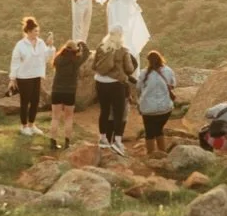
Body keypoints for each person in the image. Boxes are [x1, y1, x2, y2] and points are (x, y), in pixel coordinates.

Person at [92, 26, 138, 157]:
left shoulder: (101, 47)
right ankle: (117, 142)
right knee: (118, 113)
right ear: (121, 35)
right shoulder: (123, 50)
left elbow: (94, 65)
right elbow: (129, 69)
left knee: (104, 111)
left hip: (100, 82)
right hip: (116, 84)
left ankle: (103, 139)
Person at [8, 16, 53, 137]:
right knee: (25, 102)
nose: (37, 33)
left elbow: (46, 58)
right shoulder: (20, 45)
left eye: (38, 31)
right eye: (35, 31)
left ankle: (32, 124)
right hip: (24, 77)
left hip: (36, 75)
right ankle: (24, 126)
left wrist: (50, 47)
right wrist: (12, 78)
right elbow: (15, 61)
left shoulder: (40, 42)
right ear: (28, 32)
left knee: (35, 101)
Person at [48, 39, 88, 151]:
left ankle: (53, 142)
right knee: (68, 118)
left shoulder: (58, 59)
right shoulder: (76, 60)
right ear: (75, 50)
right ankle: (67, 143)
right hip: (69, 92)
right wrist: (81, 44)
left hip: (56, 90)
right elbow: (87, 53)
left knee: (55, 118)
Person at [136, 49, 176, 156]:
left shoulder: (144, 73)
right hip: (165, 109)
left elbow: (138, 88)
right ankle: (163, 153)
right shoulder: (168, 70)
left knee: (149, 132)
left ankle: (151, 155)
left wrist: (140, 101)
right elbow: (173, 85)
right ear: (160, 58)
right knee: (159, 129)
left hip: (148, 110)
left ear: (148, 61)